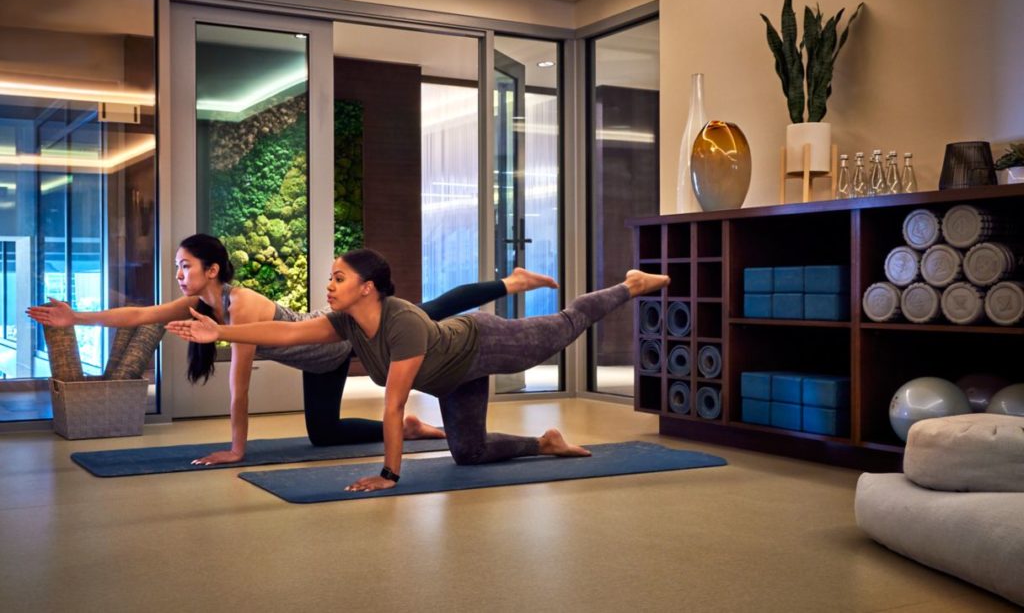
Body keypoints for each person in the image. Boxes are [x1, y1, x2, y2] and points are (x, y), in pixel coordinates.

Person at [167, 248, 670, 492]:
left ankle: (629, 285)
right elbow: (287, 333)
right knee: (469, 454)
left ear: (368, 287)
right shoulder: (346, 323)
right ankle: (545, 443)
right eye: (330, 277)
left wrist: (389, 473)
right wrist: (222, 333)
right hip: (455, 377)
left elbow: (394, 406)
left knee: (565, 324)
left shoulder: (402, 324)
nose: (330, 285)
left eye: (339, 278)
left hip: (485, 344)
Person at [26, 234, 558, 465]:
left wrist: (238, 449)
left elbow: (241, 387)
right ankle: (417, 428)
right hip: (315, 356)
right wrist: (78, 317)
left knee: (429, 310)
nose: (179, 274)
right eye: (177, 267)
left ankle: (510, 283)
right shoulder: (200, 305)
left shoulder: (244, 307)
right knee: (324, 434)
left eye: (186, 266)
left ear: (212, 270)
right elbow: (140, 314)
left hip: (326, 346)